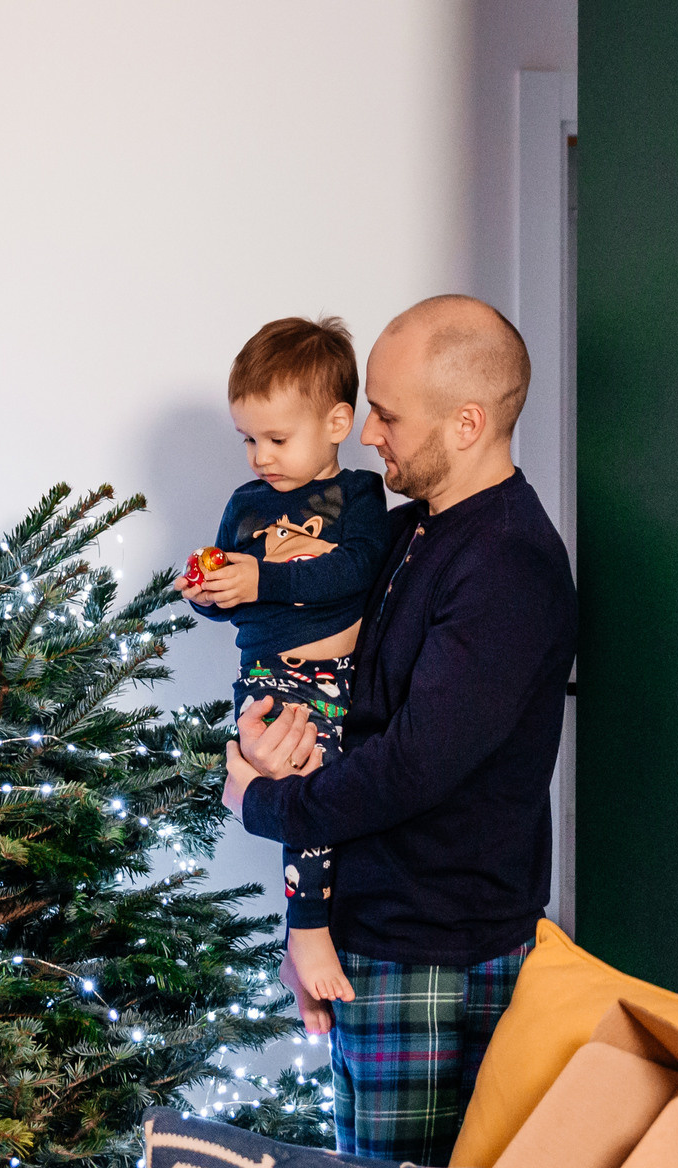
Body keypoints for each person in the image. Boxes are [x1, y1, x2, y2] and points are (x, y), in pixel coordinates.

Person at [222, 295, 577, 1166]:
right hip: (376, 937)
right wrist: (314, 925)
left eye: (386, 413)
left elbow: (413, 765)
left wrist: (261, 799)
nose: (368, 434)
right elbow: (345, 708)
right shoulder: (409, 530)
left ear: (466, 423)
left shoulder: (507, 561)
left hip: (434, 950)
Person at [175, 316, 391, 1010]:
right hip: (270, 678)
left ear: (336, 422)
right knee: (299, 783)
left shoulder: (358, 495)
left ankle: (311, 927)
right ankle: (306, 930)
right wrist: (211, 595)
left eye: (276, 438)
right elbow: (235, 600)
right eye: (248, 439)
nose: (259, 457)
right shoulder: (246, 505)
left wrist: (264, 577)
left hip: (340, 680)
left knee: (329, 797)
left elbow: (357, 571)